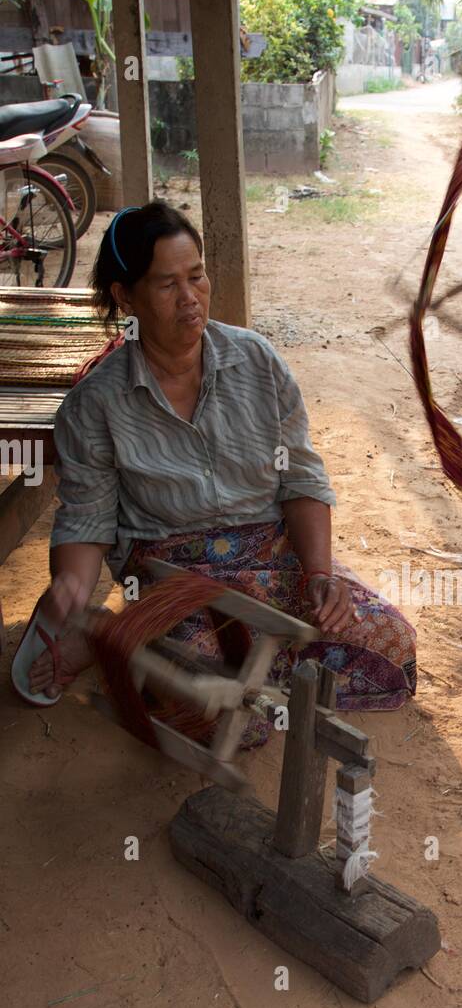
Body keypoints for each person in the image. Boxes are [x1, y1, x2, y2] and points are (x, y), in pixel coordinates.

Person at [24, 201, 416, 733]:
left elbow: (300, 477)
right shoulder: (97, 404)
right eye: (166, 285)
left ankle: (155, 653)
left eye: (197, 276)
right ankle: (114, 634)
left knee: (392, 645)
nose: (190, 299)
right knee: (206, 704)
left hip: (271, 557)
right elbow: (88, 522)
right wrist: (71, 590)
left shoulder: (256, 362)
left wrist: (321, 574)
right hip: (171, 574)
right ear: (125, 296)